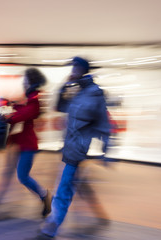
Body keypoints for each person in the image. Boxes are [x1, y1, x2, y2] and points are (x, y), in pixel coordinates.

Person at [28, 57, 111, 239]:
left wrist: (107, 151)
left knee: (63, 188)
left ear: (81, 69)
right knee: (73, 184)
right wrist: (64, 86)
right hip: (69, 147)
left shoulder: (95, 93)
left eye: (74, 68)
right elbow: (60, 106)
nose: (71, 71)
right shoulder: (76, 91)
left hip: (77, 149)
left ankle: (49, 230)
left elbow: (104, 123)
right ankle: (99, 216)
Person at [0, 68, 52, 221]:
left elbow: (18, 116)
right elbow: (14, 110)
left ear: (32, 81)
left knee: (23, 177)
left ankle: (45, 197)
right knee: (6, 176)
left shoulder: (35, 101)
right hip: (16, 143)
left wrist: (5, 112)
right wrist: (5, 105)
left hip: (28, 145)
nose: (24, 82)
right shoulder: (27, 98)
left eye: (26, 79)